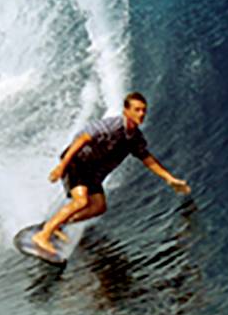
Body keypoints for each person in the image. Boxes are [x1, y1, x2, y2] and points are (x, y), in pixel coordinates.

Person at [33, 92, 189, 252]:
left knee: (99, 207)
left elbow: (148, 160)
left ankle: (57, 224)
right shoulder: (112, 126)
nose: (141, 114)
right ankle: (43, 235)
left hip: (92, 171)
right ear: (126, 111)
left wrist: (170, 179)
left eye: (143, 110)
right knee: (81, 201)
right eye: (137, 110)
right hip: (77, 162)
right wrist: (61, 167)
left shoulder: (135, 138)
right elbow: (82, 139)